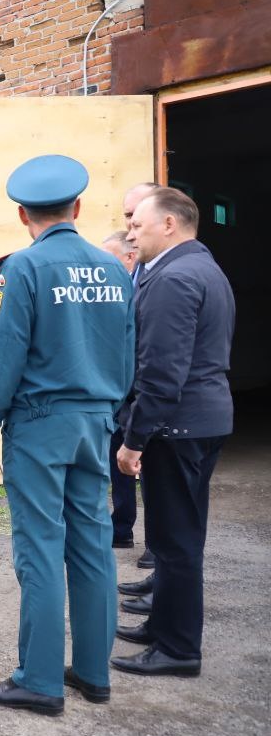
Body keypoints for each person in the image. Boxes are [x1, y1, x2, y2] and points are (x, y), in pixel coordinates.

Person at [0, 155, 135, 716]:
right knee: (92, 545)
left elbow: (4, 358)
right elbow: (128, 352)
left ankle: (38, 680)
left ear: (22, 215)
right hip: (97, 423)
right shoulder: (114, 268)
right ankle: (93, 672)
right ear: (79, 208)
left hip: (40, 425)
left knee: (39, 547)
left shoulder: (21, 269)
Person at [111, 187, 234, 678]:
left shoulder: (174, 278)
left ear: (169, 225)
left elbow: (161, 374)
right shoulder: (203, 267)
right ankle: (161, 628)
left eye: (138, 225)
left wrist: (133, 440)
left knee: (176, 541)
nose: (130, 233)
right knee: (174, 537)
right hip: (202, 420)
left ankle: (178, 649)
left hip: (178, 427)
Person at [118, 182, 163, 570]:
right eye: (126, 217)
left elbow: (162, 356)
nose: (130, 227)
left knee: (157, 479)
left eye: (135, 217)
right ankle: (157, 579)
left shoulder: (170, 273)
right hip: (132, 393)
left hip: (157, 400)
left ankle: (159, 553)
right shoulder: (144, 270)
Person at [101, 231, 140, 552]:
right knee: (118, 463)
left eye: (109, 257)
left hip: (140, 394)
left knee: (149, 469)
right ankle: (122, 528)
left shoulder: (146, 287)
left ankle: (157, 543)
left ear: (130, 257)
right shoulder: (108, 289)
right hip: (114, 395)